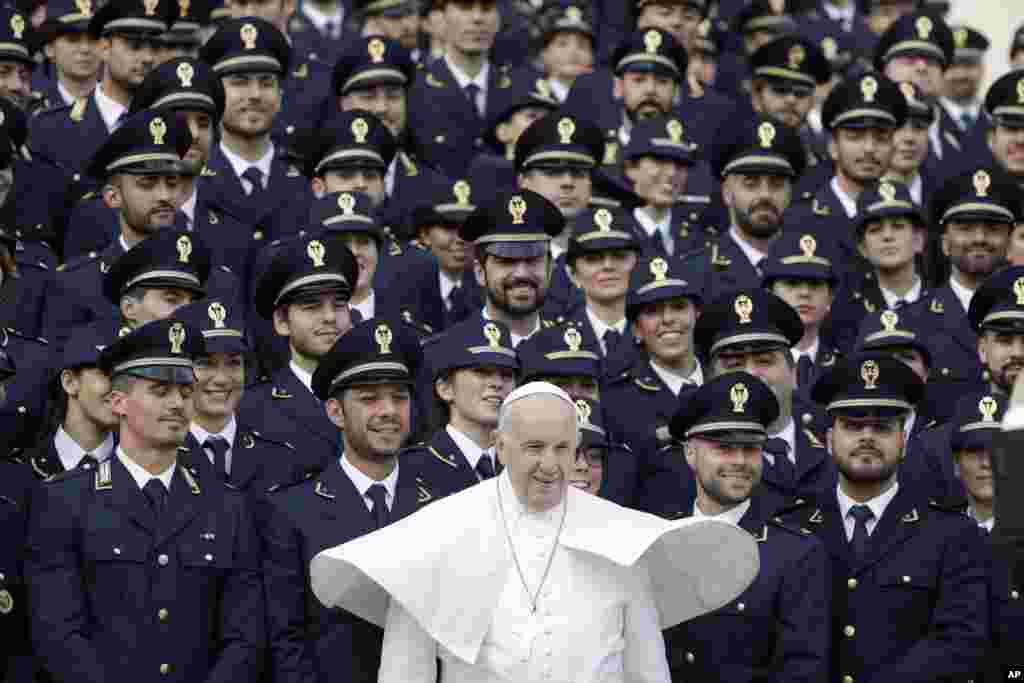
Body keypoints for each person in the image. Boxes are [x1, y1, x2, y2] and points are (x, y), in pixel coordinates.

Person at [309, 381, 761, 683]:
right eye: (533, 448)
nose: (551, 465)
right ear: (500, 448)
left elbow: (648, 672)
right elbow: (404, 675)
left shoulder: (619, 537)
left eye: (563, 448)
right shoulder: (436, 534)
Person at [26, 317, 266, 683]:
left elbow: (244, 638)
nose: (177, 404)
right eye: (159, 390)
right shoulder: (64, 500)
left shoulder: (227, 506)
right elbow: (59, 635)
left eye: (185, 392)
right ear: (118, 401)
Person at [784, 352, 989, 682]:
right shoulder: (794, 528)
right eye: (852, 425)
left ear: (903, 441)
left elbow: (960, 643)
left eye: (882, 426)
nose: (867, 436)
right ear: (828, 439)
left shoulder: (952, 535)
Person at [261, 318, 434, 683]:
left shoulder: (438, 504)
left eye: (399, 397)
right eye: (369, 399)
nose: (388, 410)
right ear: (336, 412)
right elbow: (287, 641)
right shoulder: (293, 512)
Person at [663, 371, 831, 682]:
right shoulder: (658, 541)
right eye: (724, 447)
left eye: (750, 448)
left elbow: (802, 671)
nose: (740, 460)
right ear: (690, 453)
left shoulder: (796, 555)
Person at [42, 110, 241, 345]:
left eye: (172, 182)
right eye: (147, 183)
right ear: (113, 197)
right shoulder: (75, 286)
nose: (165, 195)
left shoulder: (217, 284)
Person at [239, 232, 358, 472]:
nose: (329, 317)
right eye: (312, 306)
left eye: (339, 305)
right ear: (282, 321)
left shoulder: (379, 395)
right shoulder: (251, 408)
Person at [783, 72, 907, 291]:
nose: (869, 148)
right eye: (855, 136)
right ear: (832, 146)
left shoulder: (909, 219)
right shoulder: (798, 219)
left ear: (893, 146)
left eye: (881, 136)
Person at [600, 254, 703, 509]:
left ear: (697, 315)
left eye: (679, 306)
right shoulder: (616, 401)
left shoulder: (728, 384)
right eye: (653, 311)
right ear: (636, 329)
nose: (668, 319)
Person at [29, 0, 176, 177]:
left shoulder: (173, 127)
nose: (148, 58)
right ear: (104, 48)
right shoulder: (51, 128)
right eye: (134, 45)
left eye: (155, 46)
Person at [174, 298, 299, 493]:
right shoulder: (159, 455)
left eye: (233, 363)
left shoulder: (280, 457)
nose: (222, 379)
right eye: (205, 363)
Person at [682, 115, 805, 304]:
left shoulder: (810, 266)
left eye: (777, 184)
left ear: (790, 193)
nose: (765, 195)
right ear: (727, 193)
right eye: (751, 184)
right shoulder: (695, 273)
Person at [403, 318, 518, 498]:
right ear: (445, 389)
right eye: (482, 372)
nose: (497, 383)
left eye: (507, 375)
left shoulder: (521, 464)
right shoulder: (410, 468)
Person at [457, 189, 564, 345]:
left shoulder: (576, 351)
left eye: (533, 260)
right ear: (480, 272)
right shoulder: (447, 354)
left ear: (551, 267)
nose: (521, 273)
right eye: (506, 261)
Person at [24, 324, 117, 480]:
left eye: (129, 377)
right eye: (108, 374)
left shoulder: (144, 469)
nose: (122, 388)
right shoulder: (20, 473)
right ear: (69, 382)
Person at [760, 230, 840, 397]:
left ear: (830, 298)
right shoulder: (754, 367)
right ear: (770, 294)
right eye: (792, 283)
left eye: (815, 284)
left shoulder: (845, 367)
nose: (804, 293)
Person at [33, 0, 101, 109]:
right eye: (73, 39)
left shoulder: (127, 107)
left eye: (93, 39)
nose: (85, 49)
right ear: (50, 49)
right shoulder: (35, 112)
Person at [939, 26, 989, 134]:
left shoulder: (998, 121)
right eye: (952, 66)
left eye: (969, 65)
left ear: (982, 68)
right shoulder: (926, 122)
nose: (961, 74)